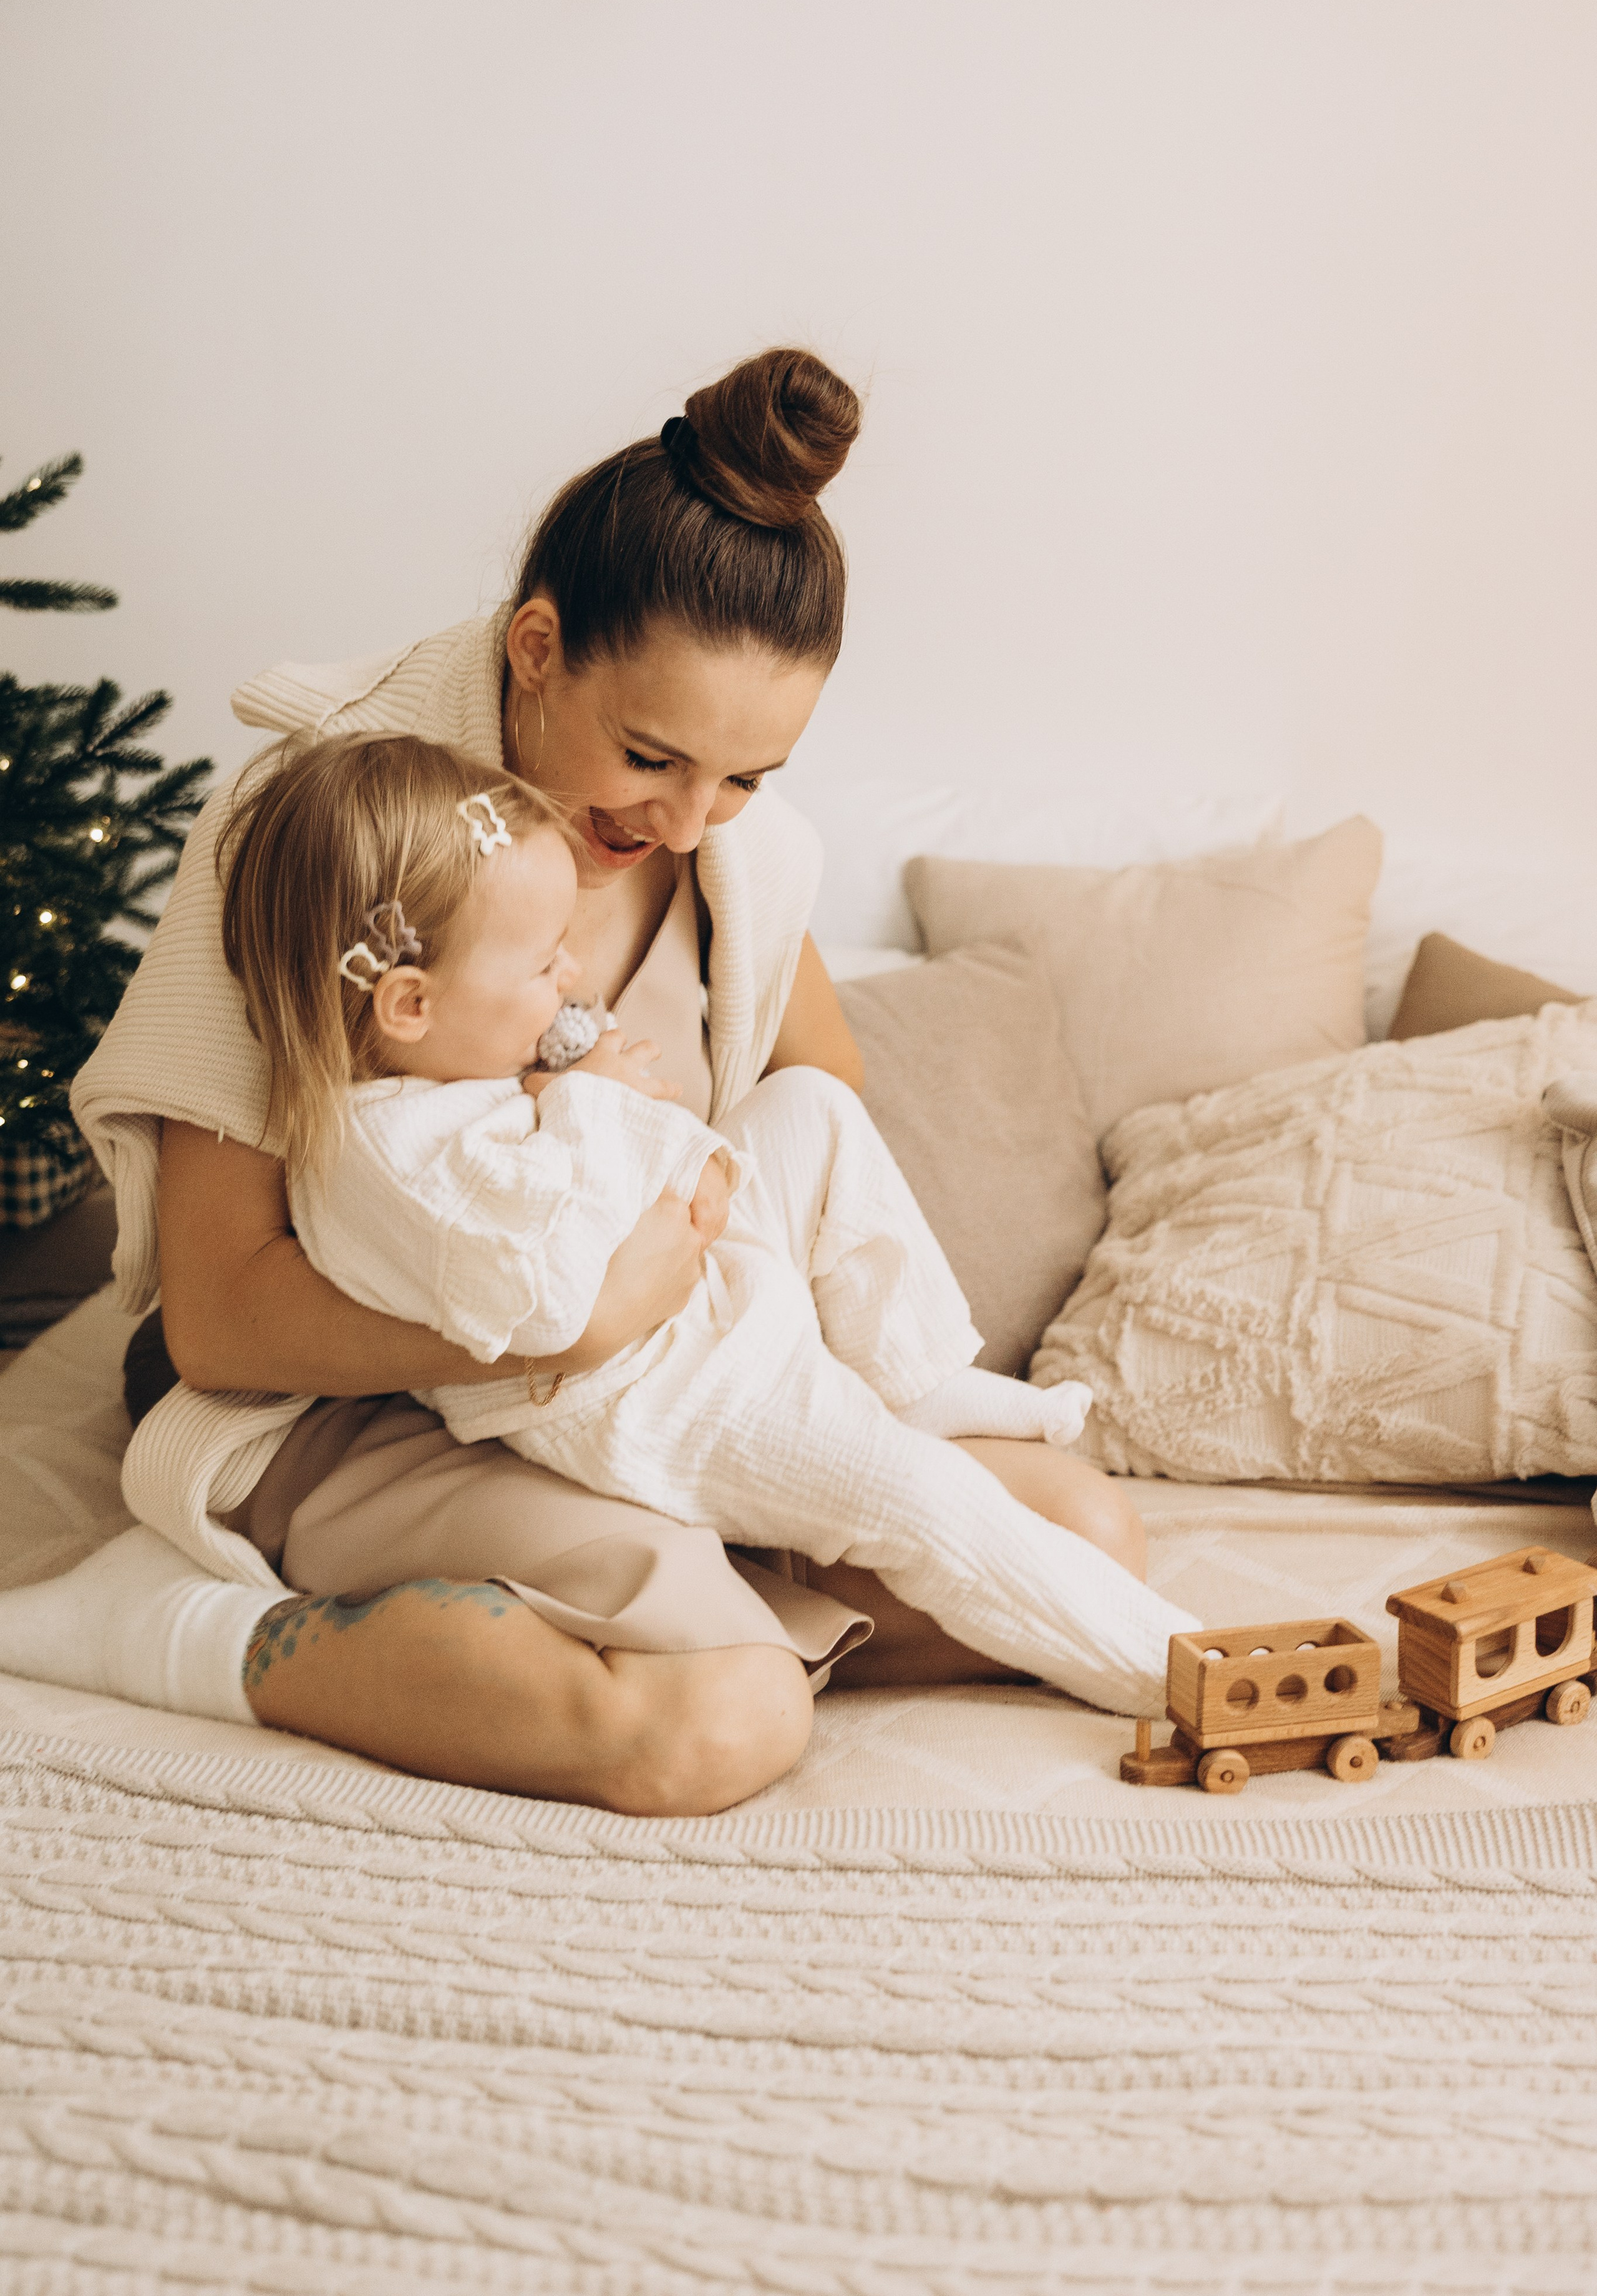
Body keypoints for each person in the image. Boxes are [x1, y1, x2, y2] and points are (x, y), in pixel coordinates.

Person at [3, 348, 1158, 1813]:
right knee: (720, 1727)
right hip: (338, 1400)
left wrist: (735, 1362)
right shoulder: (324, 823)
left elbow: (813, 1105)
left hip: (626, 1382)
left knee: (1082, 1542)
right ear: (536, 646)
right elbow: (224, 1315)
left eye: (747, 776)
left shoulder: (734, 861)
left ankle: (656, 1568)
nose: (687, 823)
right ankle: (205, 1634)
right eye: (650, 755)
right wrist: (571, 1326)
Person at [206, 730, 1186, 1709]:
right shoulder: (383, 1158)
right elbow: (550, 1301)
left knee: (811, 1107)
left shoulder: (444, 1075)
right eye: (543, 965)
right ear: (411, 1002)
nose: (570, 984)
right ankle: (1166, 1669)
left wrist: (614, 1125)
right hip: (651, 1396)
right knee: (917, 1502)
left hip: (697, 1292)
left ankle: (909, 1378)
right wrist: (589, 1099)